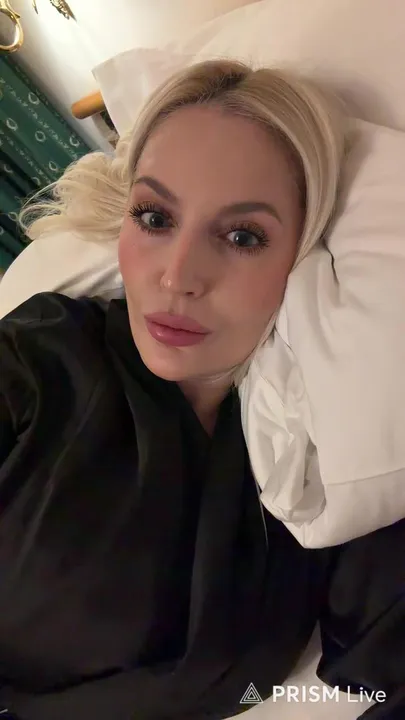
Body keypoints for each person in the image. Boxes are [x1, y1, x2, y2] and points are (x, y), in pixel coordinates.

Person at [0, 59, 403, 720]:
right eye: (154, 217)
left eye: (242, 236)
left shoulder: (319, 459)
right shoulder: (37, 364)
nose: (177, 277)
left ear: (304, 252)